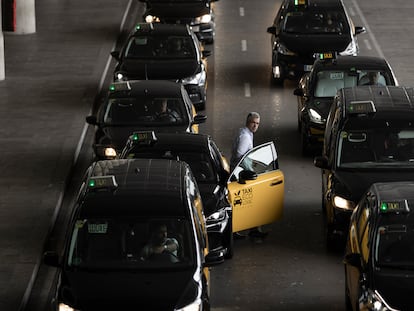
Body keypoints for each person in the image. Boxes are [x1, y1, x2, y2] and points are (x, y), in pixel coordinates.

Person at [230, 112, 268, 240]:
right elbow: (240, 155)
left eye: (257, 124)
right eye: (253, 123)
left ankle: (252, 228)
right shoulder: (245, 136)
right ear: (248, 122)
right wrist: (250, 170)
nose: (255, 126)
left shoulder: (245, 133)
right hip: (240, 175)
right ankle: (252, 229)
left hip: (240, 173)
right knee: (248, 201)